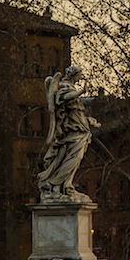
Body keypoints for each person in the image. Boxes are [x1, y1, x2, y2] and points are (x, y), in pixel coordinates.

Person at [38, 66, 94, 202]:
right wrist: (81, 92)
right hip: (73, 133)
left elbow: (73, 113)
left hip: (80, 131)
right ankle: (54, 184)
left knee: (75, 160)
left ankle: (66, 186)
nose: (81, 77)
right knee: (72, 159)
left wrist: (88, 120)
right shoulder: (63, 86)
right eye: (80, 74)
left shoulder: (71, 88)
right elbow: (63, 98)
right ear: (73, 74)